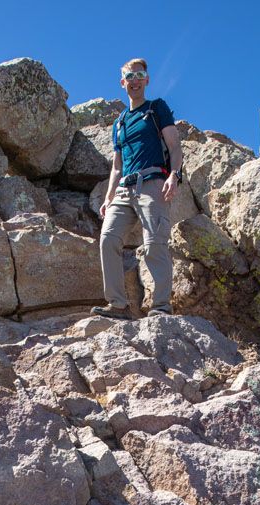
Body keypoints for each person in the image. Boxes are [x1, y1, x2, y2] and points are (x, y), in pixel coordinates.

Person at [91, 57, 183, 320]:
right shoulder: (119, 123)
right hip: (124, 189)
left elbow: (175, 146)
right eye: (129, 77)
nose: (134, 81)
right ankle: (118, 305)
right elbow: (117, 166)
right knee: (108, 239)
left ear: (147, 80)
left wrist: (173, 175)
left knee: (154, 243)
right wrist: (109, 198)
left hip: (152, 182)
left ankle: (161, 307)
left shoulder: (156, 109)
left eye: (139, 75)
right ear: (122, 83)